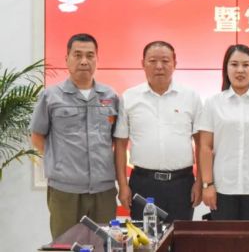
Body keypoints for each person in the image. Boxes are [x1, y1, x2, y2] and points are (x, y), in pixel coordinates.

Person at [30, 33, 120, 239]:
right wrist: (59, 160)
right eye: (77, 55)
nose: (84, 61)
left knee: (103, 245)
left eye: (90, 55)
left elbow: (116, 141)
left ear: (97, 59)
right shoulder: (50, 96)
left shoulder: (111, 96)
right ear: (67, 59)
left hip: (103, 190)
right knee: (66, 245)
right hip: (65, 191)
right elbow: (37, 136)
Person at [114, 41, 203, 222]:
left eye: (165, 61)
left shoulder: (190, 96)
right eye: (153, 61)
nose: (159, 66)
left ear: (175, 64)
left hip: (182, 184)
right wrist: (123, 185)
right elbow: (120, 146)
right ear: (143, 63)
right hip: (143, 183)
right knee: (144, 237)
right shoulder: (129, 97)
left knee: (180, 236)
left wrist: (200, 182)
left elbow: (202, 144)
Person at [198, 44, 249, 220]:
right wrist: (207, 184)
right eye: (234, 64)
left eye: (246, 65)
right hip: (222, 187)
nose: (240, 70)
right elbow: (205, 146)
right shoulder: (213, 103)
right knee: (224, 237)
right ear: (226, 69)